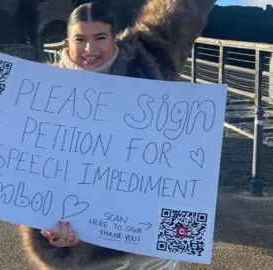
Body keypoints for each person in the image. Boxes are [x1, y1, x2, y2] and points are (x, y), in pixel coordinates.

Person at [18, 0, 217, 269]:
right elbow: (25, 174)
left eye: (100, 38)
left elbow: (181, 12)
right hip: (85, 243)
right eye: (80, 39)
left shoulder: (145, 63)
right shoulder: (40, 93)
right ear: (67, 41)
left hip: (149, 236)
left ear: (115, 38)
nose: (89, 49)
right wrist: (47, 232)